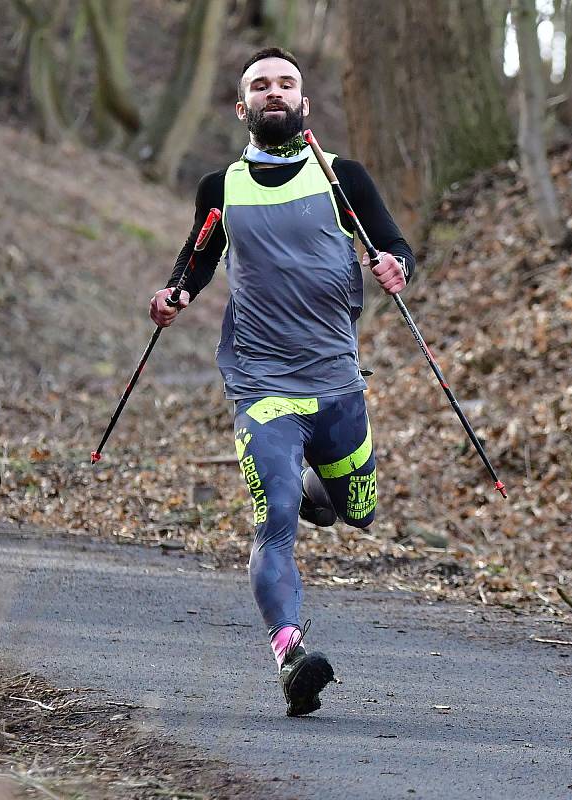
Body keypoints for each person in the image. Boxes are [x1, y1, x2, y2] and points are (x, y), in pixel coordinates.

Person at [150, 47, 415, 717]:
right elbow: (197, 260)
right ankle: (292, 656)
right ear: (244, 109)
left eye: (286, 84)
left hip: (336, 380)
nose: (275, 92)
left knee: (356, 510)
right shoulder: (221, 187)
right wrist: (175, 294)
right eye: (261, 85)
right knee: (273, 520)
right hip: (261, 382)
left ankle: (309, 484)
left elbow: (394, 246)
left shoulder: (341, 177)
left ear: (303, 103)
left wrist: (395, 267)